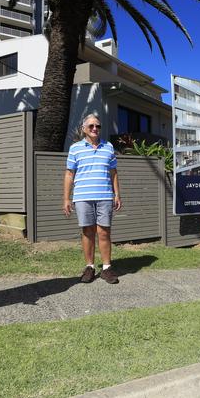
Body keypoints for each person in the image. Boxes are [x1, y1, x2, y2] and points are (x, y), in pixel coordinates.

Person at [62, 114, 122, 284]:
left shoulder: (108, 147)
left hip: (104, 196)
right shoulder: (75, 149)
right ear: (84, 129)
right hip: (83, 197)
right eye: (91, 126)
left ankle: (106, 268)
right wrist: (66, 198)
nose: (95, 129)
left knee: (104, 232)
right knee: (87, 232)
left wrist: (117, 194)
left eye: (98, 126)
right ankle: (89, 266)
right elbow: (69, 174)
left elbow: (113, 172)